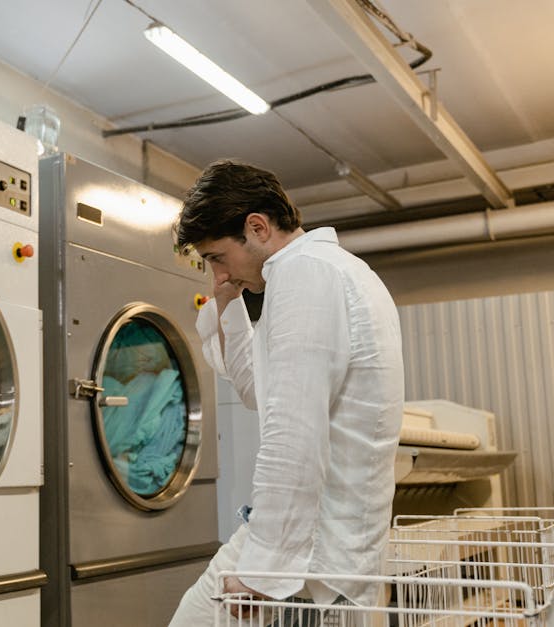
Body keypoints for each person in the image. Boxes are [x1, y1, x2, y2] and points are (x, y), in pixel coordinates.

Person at [168, 160, 404, 626]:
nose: (217, 273)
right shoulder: (330, 270)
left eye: (217, 257)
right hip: (330, 545)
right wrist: (227, 298)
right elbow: (258, 389)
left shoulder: (303, 275)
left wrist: (262, 569)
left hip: (309, 547)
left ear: (257, 227)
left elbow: (294, 432)